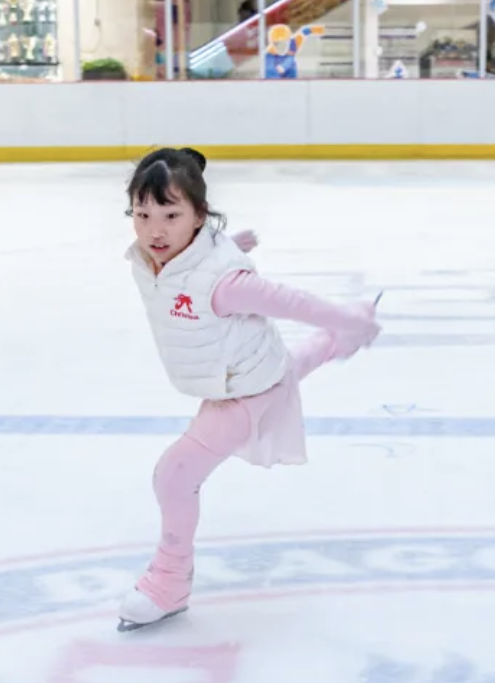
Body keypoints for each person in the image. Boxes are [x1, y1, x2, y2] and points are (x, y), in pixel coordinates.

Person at [119, 148, 382, 630]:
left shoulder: (224, 284)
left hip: (242, 388)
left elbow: (293, 301)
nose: (155, 230)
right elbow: (195, 267)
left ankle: (169, 581)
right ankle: (335, 344)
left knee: (174, 476)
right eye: (142, 214)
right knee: (288, 370)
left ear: (199, 216)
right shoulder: (155, 256)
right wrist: (222, 249)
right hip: (244, 366)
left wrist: (352, 319)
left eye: (171, 215)